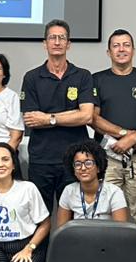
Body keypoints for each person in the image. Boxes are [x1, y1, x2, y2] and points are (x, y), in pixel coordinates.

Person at [91, 29, 136, 233]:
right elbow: (93, 118)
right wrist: (126, 135)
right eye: (116, 45)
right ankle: (105, 261)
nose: (121, 49)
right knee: (103, 210)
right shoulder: (97, 79)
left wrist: (133, 139)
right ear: (108, 52)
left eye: (126, 45)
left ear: (133, 50)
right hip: (107, 157)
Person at [21, 19, 96, 209]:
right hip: (41, 160)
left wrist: (48, 118)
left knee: (74, 215)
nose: (57, 42)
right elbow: (31, 120)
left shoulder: (83, 76)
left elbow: (86, 116)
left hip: (75, 160)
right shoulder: (32, 77)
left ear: (68, 44)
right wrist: (72, 116)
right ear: (44, 43)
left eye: (61, 38)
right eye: (52, 38)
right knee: (40, 215)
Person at [54, 138, 129, 228]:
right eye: (77, 164)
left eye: (88, 163)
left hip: (107, 239)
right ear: (73, 170)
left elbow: (121, 232)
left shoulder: (114, 192)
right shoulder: (69, 191)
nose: (83, 168)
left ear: (98, 167)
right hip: (78, 240)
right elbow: (61, 231)